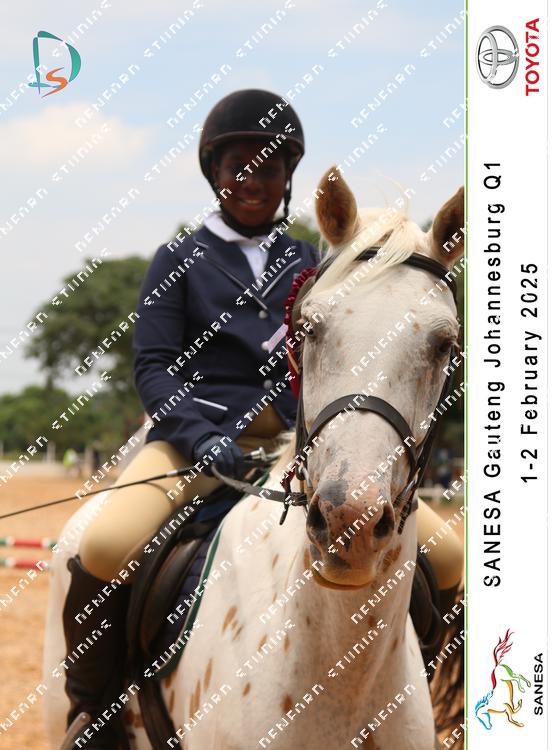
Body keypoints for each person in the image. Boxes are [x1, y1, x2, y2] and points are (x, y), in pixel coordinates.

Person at [59, 89, 319, 749]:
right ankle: (95, 715)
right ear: (215, 173)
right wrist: (199, 435)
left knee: (445, 555)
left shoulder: (310, 263)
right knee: (106, 545)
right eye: (239, 166)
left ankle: (427, 688)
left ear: (287, 176)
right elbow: (152, 366)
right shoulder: (177, 260)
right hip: (193, 440)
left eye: (268, 167)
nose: (253, 180)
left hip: (300, 441)